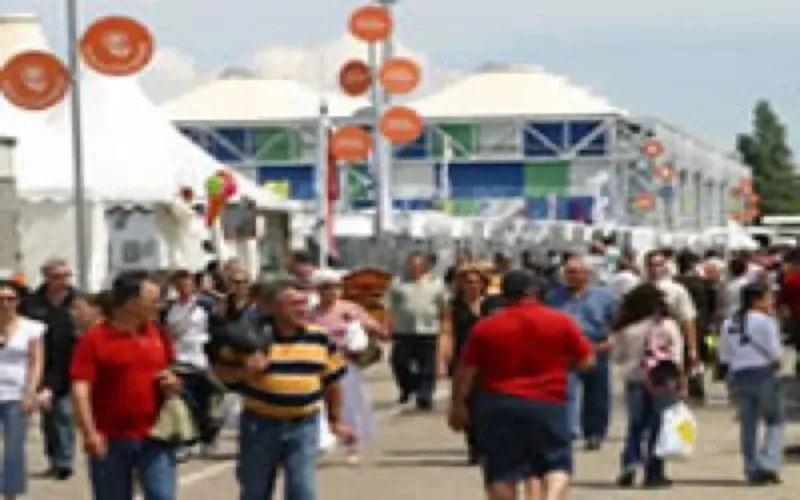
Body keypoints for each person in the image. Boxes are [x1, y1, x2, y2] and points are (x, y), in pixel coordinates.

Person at [450, 270, 595, 500]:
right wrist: (559, 364)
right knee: (556, 463)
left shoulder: (486, 327)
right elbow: (587, 361)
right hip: (548, 402)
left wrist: (458, 405)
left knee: (501, 471)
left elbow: (466, 371)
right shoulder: (561, 321)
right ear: (536, 292)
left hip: (499, 402)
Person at [213, 280, 352, 500]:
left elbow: (332, 381)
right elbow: (219, 373)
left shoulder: (319, 338)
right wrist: (245, 371)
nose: (302, 309)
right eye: (294, 304)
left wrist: (336, 419)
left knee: (302, 491)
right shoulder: (249, 338)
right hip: (260, 425)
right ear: (273, 308)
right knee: (255, 491)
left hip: (304, 424)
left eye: (304, 303)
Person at [71, 270, 182, 500]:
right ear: (131, 303)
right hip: (110, 439)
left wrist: (174, 381)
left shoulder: (158, 335)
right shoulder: (94, 339)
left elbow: (173, 369)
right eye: (153, 300)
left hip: (156, 435)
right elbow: (81, 389)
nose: (159, 305)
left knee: (162, 495)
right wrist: (89, 432)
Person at [310, 269, 387, 465]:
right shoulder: (312, 313)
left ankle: (353, 443)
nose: (331, 292)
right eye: (326, 287)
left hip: (345, 364)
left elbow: (375, 327)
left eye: (335, 287)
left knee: (350, 404)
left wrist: (362, 332)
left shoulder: (349, 309)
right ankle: (320, 441)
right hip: (318, 365)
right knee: (317, 404)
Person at [612, 283, 685, 489]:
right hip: (662, 379)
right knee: (659, 426)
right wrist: (681, 380)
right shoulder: (668, 325)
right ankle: (654, 473)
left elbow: (617, 356)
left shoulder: (627, 328)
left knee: (636, 425)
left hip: (635, 379)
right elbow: (677, 355)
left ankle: (630, 461)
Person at [546, 255, 616, 451]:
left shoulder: (604, 296)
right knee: (565, 392)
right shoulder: (553, 297)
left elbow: (618, 320)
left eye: (576, 272)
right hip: (565, 351)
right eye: (568, 272)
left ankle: (595, 433)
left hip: (596, 348)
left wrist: (612, 339)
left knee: (597, 394)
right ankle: (568, 431)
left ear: (587, 274)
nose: (571, 276)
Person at [719, 282, 784, 485]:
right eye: (768, 297)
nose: (771, 301)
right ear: (757, 300)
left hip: (739, 374)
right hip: (763, 373)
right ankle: (769, 463)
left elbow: (725, 355)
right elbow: (775, 353)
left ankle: (751, 467)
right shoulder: (766, 322)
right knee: (774, 420)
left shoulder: (729, 323)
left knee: (748, 425)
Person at [19, 258, 77, 480]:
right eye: (56, 276)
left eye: (65, 275)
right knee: (48, 416)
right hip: (41, 365)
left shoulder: (76, 300)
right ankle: (54, 457)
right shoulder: (32, 303)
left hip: (69, 365)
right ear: (47, 277)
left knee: (64, 414)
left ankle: (64, 461)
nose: (62, 280)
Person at [438, 264, 490, 464]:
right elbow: (446, 333)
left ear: (484, 283)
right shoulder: (454, 307)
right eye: (468, 282)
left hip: (490, 360)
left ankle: (487, 445)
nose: (472, 286)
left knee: (487, 403)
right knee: (466, 402)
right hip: (463, 360)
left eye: (476, 282)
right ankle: (474, 447)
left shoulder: (492, 305)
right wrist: (442, 360)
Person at [0, 279, 45, 500]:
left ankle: (10, 493)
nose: (5, 303)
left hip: (16, 394)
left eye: (10, 299)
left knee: (13, 448)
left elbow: (36, 362)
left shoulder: (31, 328)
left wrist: (31, 392)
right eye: (1, 299)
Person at [389, 251, 448, 411]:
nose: (416, 267)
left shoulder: (436, 283)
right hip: (404, 331)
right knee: (399, 362)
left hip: (428, 330)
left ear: (425, 266)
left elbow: (444, 307)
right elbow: (389, 307)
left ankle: (425, 395)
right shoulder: (398, 282)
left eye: (419, 264)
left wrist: (445, 329)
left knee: (427, 366)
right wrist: (387, 326)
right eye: (413, 264)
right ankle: (409, 387)